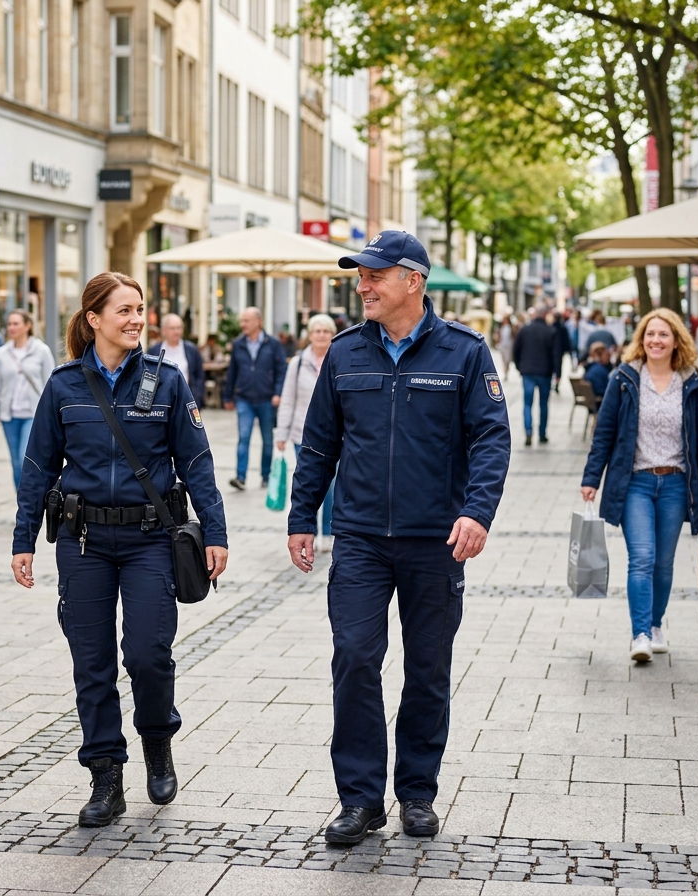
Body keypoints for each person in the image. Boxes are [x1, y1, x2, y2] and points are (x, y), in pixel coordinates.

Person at [287, 230, 510, 846]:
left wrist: (477, 512)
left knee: (427, 669)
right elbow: (319, 442)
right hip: (359, 536)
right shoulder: (345, 352)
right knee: (354, 657)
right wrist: (302, 516)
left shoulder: (465, 351)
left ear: (413, 280)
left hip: (435, 540)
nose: (363, 286)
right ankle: (360, 799)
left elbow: (491, 438)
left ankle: (416, 792)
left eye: (375, 276)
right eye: (360, 276)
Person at [10, 271, 228, 828]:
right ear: (94, 319)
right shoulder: (64, 385)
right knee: (92, 663)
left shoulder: (166, 380)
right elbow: (37, 467)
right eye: (124, 310)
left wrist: (216, 531)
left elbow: (196, 462)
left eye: (139, 309)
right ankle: (105, 776)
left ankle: (157, 738)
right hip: (83, 542)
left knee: (147, 653)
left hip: (150, 540)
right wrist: (23, 539)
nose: (136, 320)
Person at [580, 308, 698, 663]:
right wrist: (591, 478)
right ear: (641, 340)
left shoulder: (691, 383)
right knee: (642, 557)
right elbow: (604, 433)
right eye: (650, 334)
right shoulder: (624, 378)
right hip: (636, 483)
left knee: (663, 563)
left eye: (663, 334)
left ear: (676, 341)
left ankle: (656, 624)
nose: (655, 340)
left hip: (675, 484)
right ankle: (640, 633)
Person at [276, 314, 337, 542]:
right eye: (317, 331)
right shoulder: (298, 362)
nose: (321, 335)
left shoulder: (338, 359)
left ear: (332, 335)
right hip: (302, 434)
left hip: (335, 434)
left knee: (332, 485)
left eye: (325, 331)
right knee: (309, 483)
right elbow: (288, 399)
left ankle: (328, 531)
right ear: (309, 335)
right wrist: (282, 432)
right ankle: (308, 530)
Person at [0, 310, 55, 489]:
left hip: (34, 415)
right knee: (16, 463)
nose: (11, 327)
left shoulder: (41, 351)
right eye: (9, 324)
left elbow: (52, 385)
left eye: (16, 323)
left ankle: (33, 497)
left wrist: (53, 415)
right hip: (9, 416)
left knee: (25, 460)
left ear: (27, 326)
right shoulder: (2, 353)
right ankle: (22, 501)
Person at [223, 306, 286, 490]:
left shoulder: (273, 344)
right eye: (242, 321)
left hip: (267, 399)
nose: (242, 324)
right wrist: (227, 396)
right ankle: (240, 477)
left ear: (258, 322)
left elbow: (282, 370)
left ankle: (265, 475)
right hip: (244, 399)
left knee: (267, 440)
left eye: (246, 321)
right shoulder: (238, 344)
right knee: (243, 438)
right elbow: (232, 372)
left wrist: (278, 393)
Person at [512, 307, 559, 446]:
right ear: (545, 315)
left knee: (527, 403)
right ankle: (542, 433)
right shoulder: (551, 331)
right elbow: (556, 355)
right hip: (545, 372)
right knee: (543, 404)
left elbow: (516, 350)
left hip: (528, 372)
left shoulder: (524, 330)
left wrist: (519, 367)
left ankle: (528, 431)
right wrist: (558, 373)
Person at [148, 314, 206, 407]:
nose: (176, 331)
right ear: (164, 330)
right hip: (160, 402)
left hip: (186, 401)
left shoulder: (191, 350)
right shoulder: (154, 351)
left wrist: (197, 397)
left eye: (179, 328)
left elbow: (199, 376)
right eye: (172, 328)